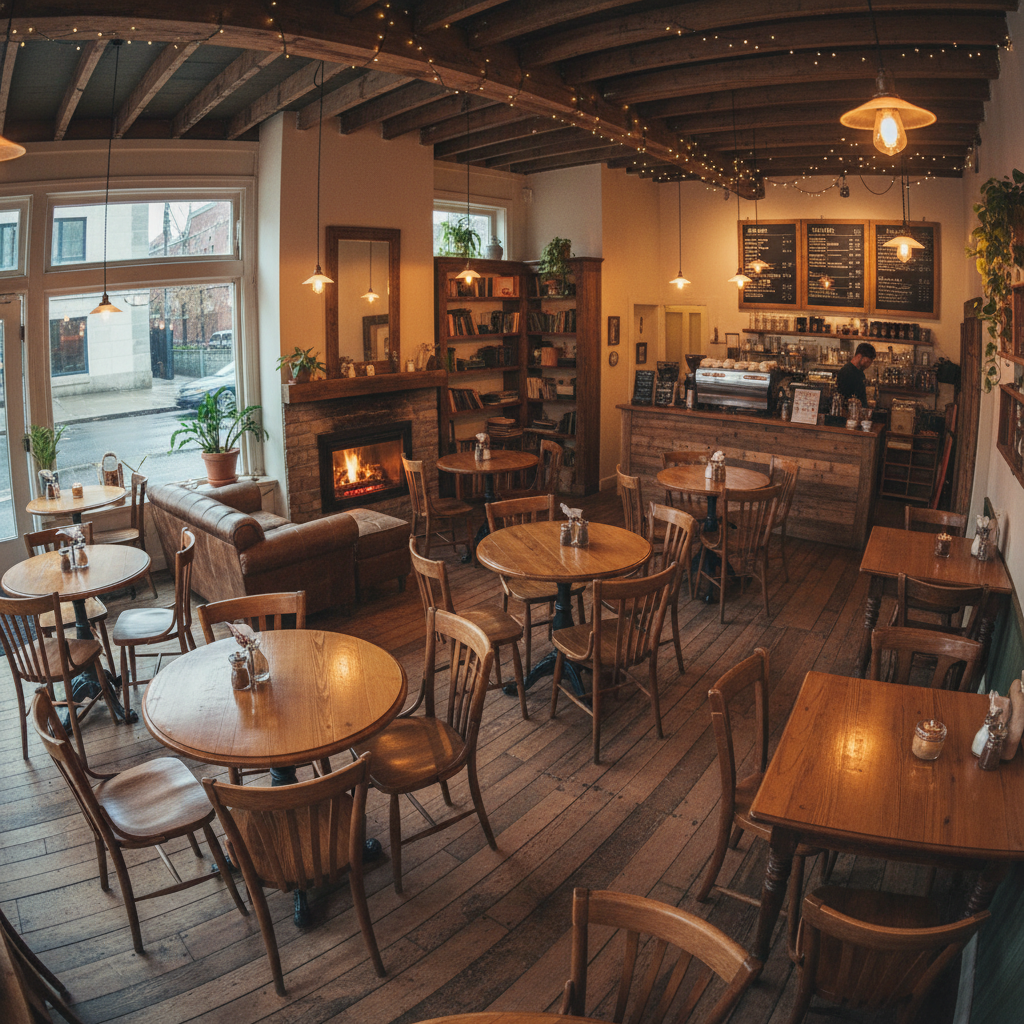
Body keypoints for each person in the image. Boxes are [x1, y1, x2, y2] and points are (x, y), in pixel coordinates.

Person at [836, 342, 876, 406]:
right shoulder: (846, 372)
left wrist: (866, 403)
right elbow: (844, 398)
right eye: (868, 361)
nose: (868, 365)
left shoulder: (860, 373)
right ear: (859, 356)